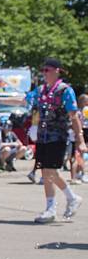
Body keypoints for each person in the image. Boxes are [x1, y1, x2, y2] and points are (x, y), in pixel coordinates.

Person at [30, 58, 86, 223]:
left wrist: (80, 140)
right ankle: (60, 203)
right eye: (42, 70)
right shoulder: (40, 90)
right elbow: (23, 100)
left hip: (58, 136)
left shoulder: (65, 90)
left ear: (57, 71)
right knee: (47, 172)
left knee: (50, 171)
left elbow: (74, 116)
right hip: (43, 137)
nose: (44, 73)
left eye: (47, 70)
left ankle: (56, 205)